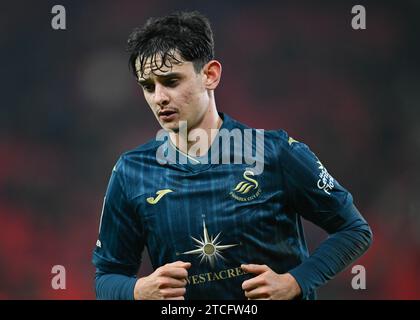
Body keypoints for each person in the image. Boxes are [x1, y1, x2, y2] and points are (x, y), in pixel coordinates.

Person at [92, 11, 372, 300]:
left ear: (210, 75)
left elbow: (354, 229)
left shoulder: (275, 152)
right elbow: (107, 277)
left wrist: (295, 281)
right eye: (148, 87)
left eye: (171, 81)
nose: (159, 97)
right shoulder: (131, 171)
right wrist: (136, 290)